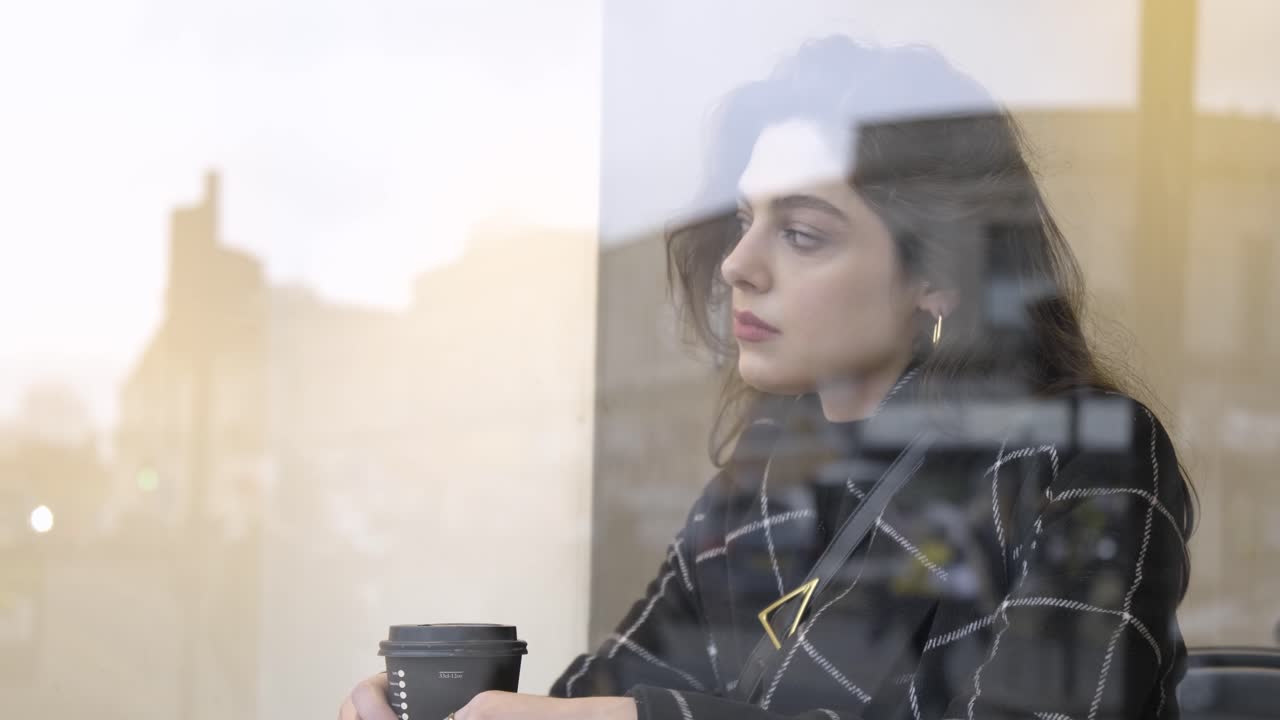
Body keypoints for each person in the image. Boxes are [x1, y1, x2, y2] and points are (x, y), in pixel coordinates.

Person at [340, 35, 1195, 720]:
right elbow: (591, 698)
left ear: (941, 275)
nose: (738, 265)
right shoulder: (757, 489)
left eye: (804, 233)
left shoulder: (1084, 461)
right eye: (746, 220)